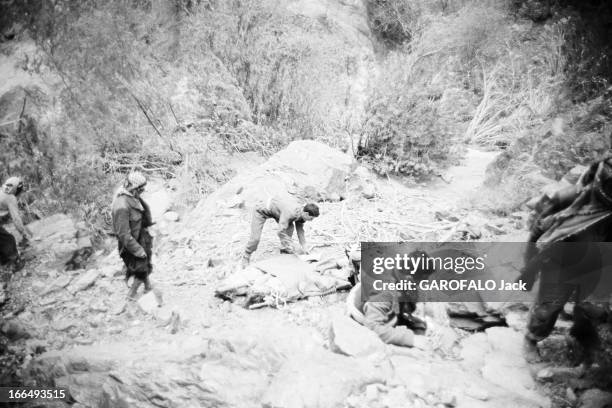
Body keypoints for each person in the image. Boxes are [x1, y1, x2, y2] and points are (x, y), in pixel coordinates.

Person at [521, 157, 612, 364]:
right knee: (548, 307)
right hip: (560, 262)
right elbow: (539, 228)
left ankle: (582, 337)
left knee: (593, 309)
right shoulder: (568, 198)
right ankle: (532, 339)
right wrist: (529, 266)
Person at [241, 194, 319, 268]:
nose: (311, 220)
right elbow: (280, 231)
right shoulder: (291, 212)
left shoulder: (301, 213)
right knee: (255, 238)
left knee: (289, 227)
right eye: (311, 218)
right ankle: (246, 256)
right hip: (261, 210)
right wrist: (292, 244)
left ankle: (285, 249)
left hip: (277, 212)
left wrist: (304, 246)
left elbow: (300, 230)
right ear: (306, 214)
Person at [112, 171, 155, 299]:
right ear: (134, 188)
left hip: (140, 235)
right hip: (131, 242)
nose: (142, 191)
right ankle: (131, 295)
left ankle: (147, 287)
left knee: (145, 262)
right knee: (141, 265)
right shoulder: (121, 205)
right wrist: (138, 249)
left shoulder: (132, 196)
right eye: (141, 189)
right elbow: (124, 234)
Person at [0, 177, 32, 271]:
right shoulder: (10, 198)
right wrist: (23, 233)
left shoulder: (1, 191)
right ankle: (15, 264)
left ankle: (4, 263)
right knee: (9, 240)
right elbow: (16, 219)